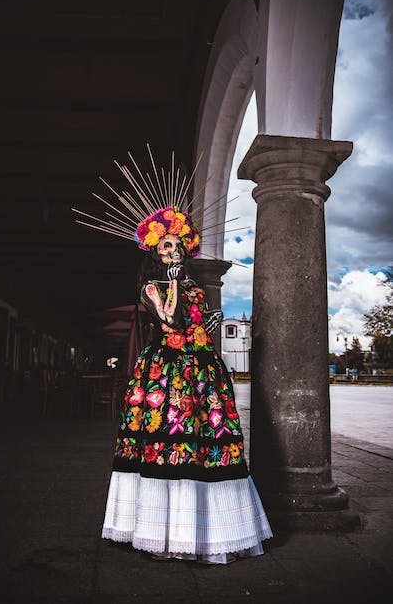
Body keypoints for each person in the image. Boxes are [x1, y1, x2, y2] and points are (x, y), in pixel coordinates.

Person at [74, 151, 272, 563]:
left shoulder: (195, 286)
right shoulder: (150, 288)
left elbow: (200, 322)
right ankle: (162, 530)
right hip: (166, 372)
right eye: (167, 246)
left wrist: (213, 319)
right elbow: (169, 318)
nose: (175, 251)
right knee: (168, 442)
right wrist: (178, 288)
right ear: (156, 252)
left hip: (203, 370)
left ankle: (208, 531)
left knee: (206, 442)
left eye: (179, 244)